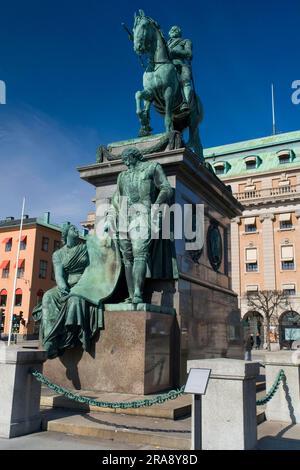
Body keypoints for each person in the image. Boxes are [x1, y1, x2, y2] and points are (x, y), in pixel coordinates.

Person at [32, 223, 121, 358]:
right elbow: (59, 274)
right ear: (66, 234)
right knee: (48, 296)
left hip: (86, 283)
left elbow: (100, 255)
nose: (76, 230)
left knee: (75, 299)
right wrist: (62, 287)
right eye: (73, 228)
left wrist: (108, 233)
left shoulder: (85, 247)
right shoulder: (58, 254)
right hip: (66, 286)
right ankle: (51, 339)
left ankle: (71, 336)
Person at [107, 147, 178, 304]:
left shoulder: (152, 167)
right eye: (124, 160)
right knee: (127, 258)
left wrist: (156, 205)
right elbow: (116, 199)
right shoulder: (122, 176)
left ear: (134, 156)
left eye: (127, 159)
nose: (125, 163)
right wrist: (110, 218)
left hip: (143, 214)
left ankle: (138, 293)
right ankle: (131, 295)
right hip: (125, 218)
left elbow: (166, 188)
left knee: (140, 253)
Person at [167, 25, 193, 111]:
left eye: (176, 29)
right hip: (167, 65)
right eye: (172, 29)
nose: (173, 30)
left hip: (180, 64)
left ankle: (186, 102)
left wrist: (175, 51)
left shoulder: (185, 41)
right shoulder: (165, 44)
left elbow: (189, 53)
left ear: (179, 32)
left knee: (185, 80)